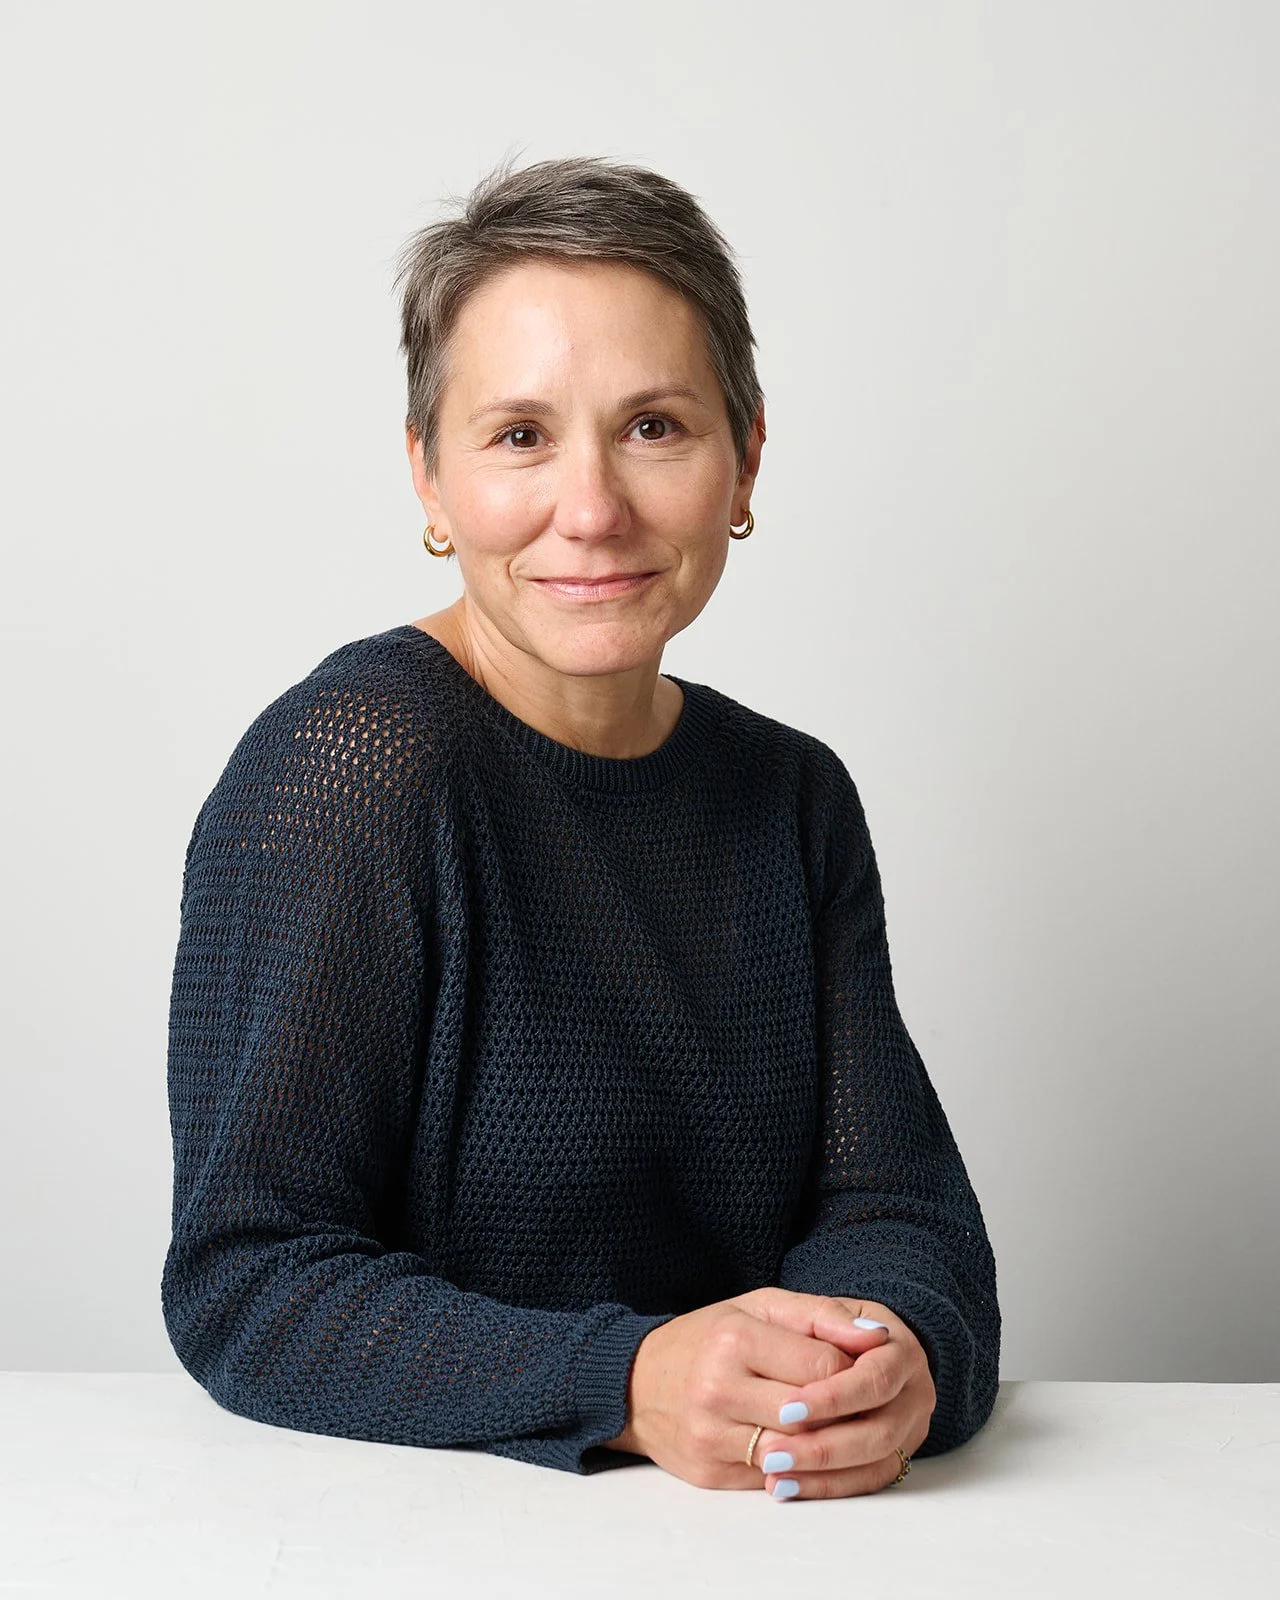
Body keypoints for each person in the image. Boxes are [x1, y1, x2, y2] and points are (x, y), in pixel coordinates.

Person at [161, 154, 1001, 1503]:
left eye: (655, 426)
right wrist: (627, 1381)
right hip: (419, 1537)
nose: (595, 508)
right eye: (519, 436)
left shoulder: (792, 798)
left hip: (757, 1531)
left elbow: (896, 1211)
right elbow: (246, 1282)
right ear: (430, 479)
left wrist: (887, 1351)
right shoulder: (349, 771)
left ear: (747, 456)